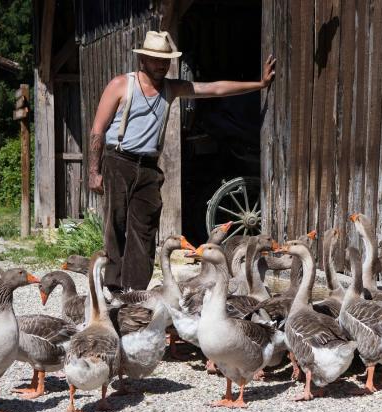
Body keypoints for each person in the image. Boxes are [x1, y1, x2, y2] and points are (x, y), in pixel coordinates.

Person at [88, 30, 276, 292]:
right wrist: (94, 171)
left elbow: (214, 88)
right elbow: (98, 129)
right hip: (118, 161)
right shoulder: (121, 85)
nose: (161, 65)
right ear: (142, 59)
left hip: (149, 168)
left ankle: (136, 293)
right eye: (155, 59)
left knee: (145, 231)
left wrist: (259, 84)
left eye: (165, 60)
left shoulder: (171, 88)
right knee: (115, 226)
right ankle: (112, 287)